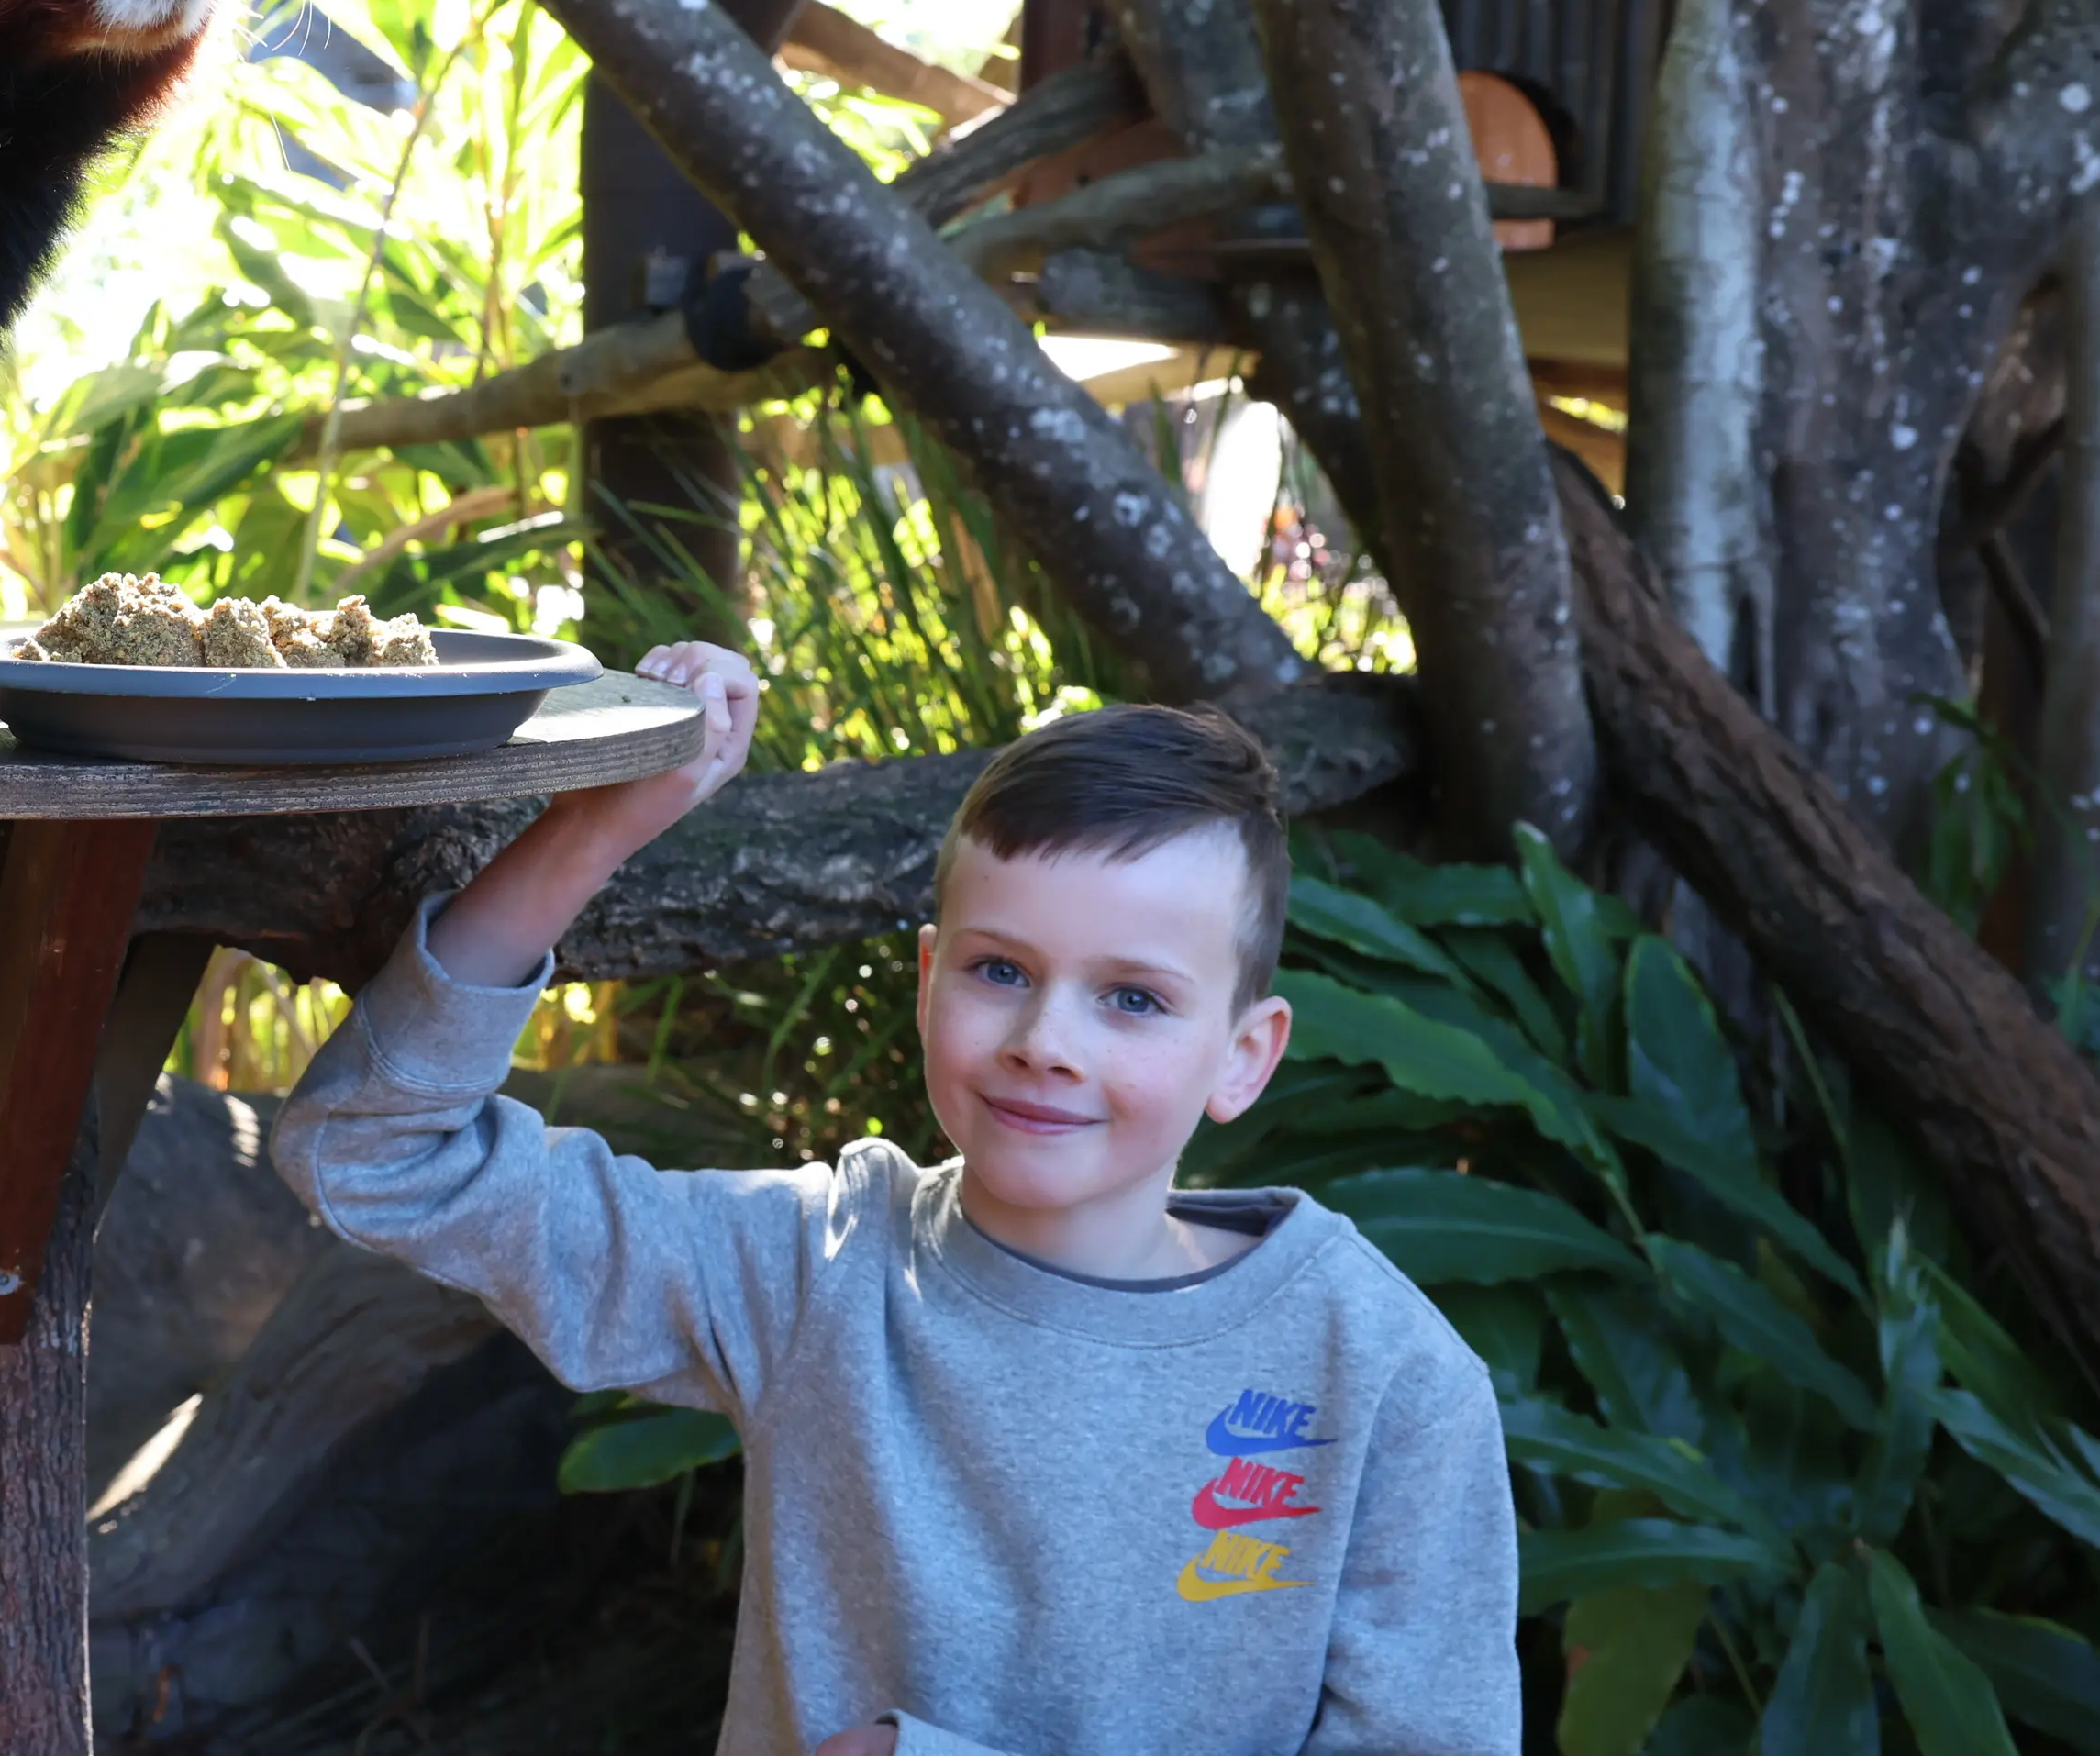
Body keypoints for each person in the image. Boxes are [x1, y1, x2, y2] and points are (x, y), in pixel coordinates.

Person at [272, 643, 1521, 1756]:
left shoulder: (1388, 1377)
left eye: (1132, 997)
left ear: (1245, 1054)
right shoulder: (811, 1270)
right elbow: (379, 1154)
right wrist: (594, 829)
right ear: (929, 982)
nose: (1046, 1039)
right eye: (999, 970)